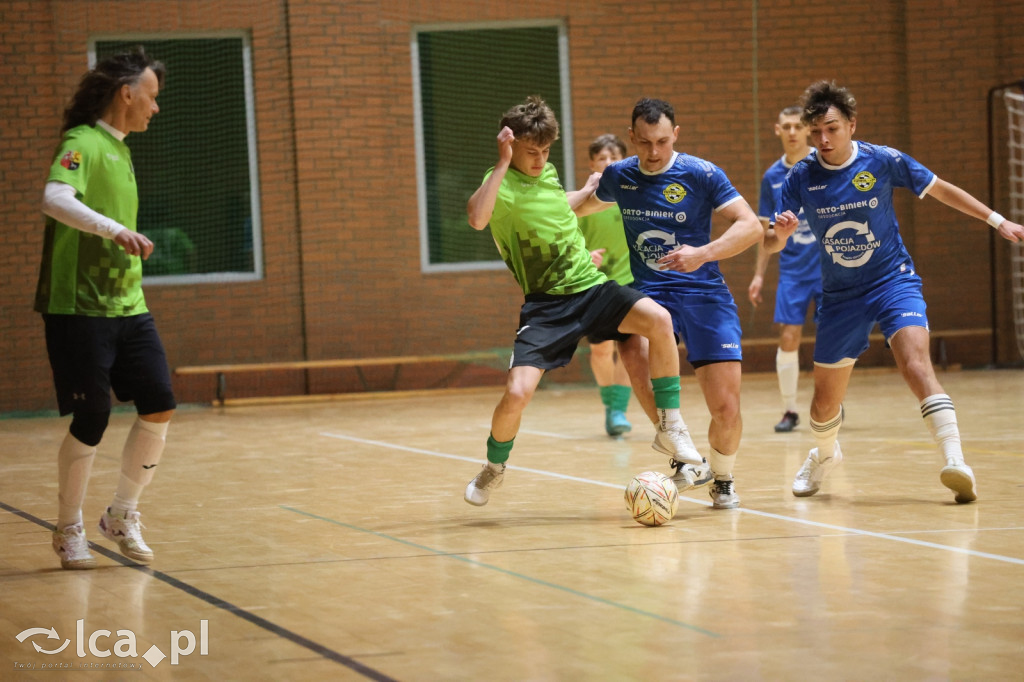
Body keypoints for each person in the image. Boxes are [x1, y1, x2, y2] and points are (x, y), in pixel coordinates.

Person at [767, 80, 1024, 503]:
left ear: (852, 124)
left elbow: (941, 189)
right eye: (816, 133)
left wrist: (998, 221)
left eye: (831, 128)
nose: (823, 139)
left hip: (892, 280)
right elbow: (772, 244)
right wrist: (780, 234)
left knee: (916, 363)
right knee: (821, 409)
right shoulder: (800, 177)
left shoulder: (882, 160)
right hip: (841, 296)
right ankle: (825, 455)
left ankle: (956, 461)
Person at [463, 96, 703, 507]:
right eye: (530, 152)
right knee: (518, 392)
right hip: (546, 305)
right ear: (510, 146)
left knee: (659, 321)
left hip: (591, 287)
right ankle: (494, 466)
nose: (539, 160)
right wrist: (502, 164)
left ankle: (672, 429)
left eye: (544, 151)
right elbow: (477, 218)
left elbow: (558, 210)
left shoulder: (549, 174)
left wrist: (591, 191)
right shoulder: (499, 184)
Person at [576, 98, 763, 509]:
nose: (654, 152)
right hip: (652, 295)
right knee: (630, 344)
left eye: (662, 141)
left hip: (704, 295)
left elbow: (750, 226)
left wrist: (703, 253)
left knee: (726, 407)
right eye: (644, 143)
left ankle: (723, 476)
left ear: (675, 135)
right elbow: (576, 210)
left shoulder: (701, 173)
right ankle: (679, 446)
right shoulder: (620, 176)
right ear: (631, 139)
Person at [36, 47, 175, 568]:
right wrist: (113, 228)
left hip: (128, 304)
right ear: (127, 92)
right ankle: (68, 526)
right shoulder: (83, 142)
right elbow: (54, 198)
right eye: (151, 97)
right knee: (92, 415)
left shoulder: (121, 149)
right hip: (78, 305)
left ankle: (121, 513)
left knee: (159, 403)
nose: (154, 109)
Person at [747, 106, 820, 433]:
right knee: (789, 337)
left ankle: (832, 398)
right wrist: (759, 275)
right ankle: (790, 410)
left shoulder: (824, 163)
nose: (792, 132)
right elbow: (766, 232)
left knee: (833, 338)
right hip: (793, 270)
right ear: (777, 130)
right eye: (786, 126)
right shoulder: (772, 178)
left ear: (808, 130)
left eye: (798, 126)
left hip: (831, 268)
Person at [577, 134, 636, 437]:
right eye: (602, 158)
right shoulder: (586, 201)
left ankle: (618, 411)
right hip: (595, 283)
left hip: (630, 281)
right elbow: (568, 239)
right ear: (592, 164)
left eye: (614, 157)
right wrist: (585, 255)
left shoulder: (636, 195)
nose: (608, 162)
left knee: (628, 348)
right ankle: (609, 404)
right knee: (600, 351)